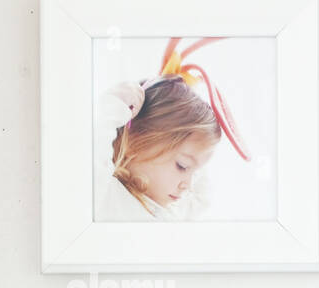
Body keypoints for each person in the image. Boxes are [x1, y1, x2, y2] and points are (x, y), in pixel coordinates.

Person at [95, 38, 248, 221]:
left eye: (196, 171)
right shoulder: (105, 191)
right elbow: (91, 148)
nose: (188, 185)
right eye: (182, 166)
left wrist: (197, 156)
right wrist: (116, 106)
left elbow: (202, 199)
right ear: (137, 140)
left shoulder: (173, 209)